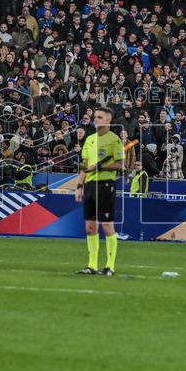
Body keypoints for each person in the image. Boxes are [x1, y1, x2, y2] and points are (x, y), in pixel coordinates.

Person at [74, 107, 125, 276]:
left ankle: (110, 266)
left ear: (108, 120)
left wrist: (101, 166)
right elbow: (84, 166)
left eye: (99, 117)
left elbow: (121, 165)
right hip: (89, 185)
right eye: (95, 117)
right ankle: (92, 265)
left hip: (105, 184)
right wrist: (79, 186)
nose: (95, 119)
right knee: (90, 226)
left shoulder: (114, 140)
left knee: (107, 225)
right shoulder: (89, 139)